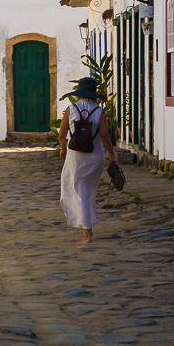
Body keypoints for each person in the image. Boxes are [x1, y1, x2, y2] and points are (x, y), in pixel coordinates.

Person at [59, 76, 118, 244]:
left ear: (79, 93)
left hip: (75, 156)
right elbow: (105, 136)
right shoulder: (99, 111)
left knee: (78, 191)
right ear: (94, 95)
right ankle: (87, 226)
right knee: (87, 192)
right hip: (95, 156)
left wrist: (63, 148)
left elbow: (62, 134)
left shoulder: (71, 109)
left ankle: (87, 233)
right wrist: (112, 155)